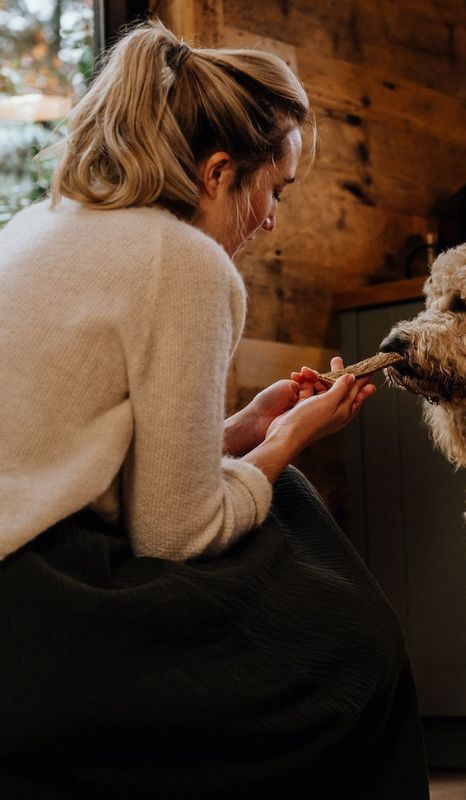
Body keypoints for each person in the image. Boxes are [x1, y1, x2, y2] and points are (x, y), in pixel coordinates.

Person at [0, 19, 429, 799]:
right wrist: (291, 441)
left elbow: (89, 465)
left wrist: (244, 429)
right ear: (219, 172)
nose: (270, 220)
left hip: (21, 582)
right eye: (274, 191)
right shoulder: (185, 262)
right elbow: (177, 531)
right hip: (32, 615)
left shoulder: (40, 224)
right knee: (348, 630)